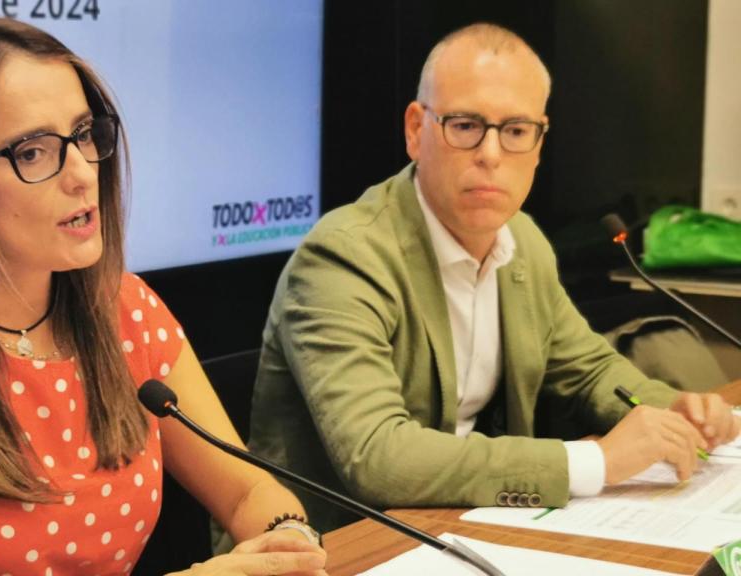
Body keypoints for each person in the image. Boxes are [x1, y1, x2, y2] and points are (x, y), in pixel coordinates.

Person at [0, 16, 326, 576]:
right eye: (34, 152)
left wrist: (290, 538)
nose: (84, 173)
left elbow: (247, 491)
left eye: (84, 134)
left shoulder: (126, 310)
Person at [248, 22, 741, 532]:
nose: (491, 154)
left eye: (515, 131)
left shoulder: (521, 241)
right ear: (416, 130)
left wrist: (675, 412)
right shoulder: (343, 257)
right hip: (337, 544)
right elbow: (377, 457)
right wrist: (593, 462)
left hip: (461, 522)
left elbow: (589, 371)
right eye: (465, 126)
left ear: (539, 143)